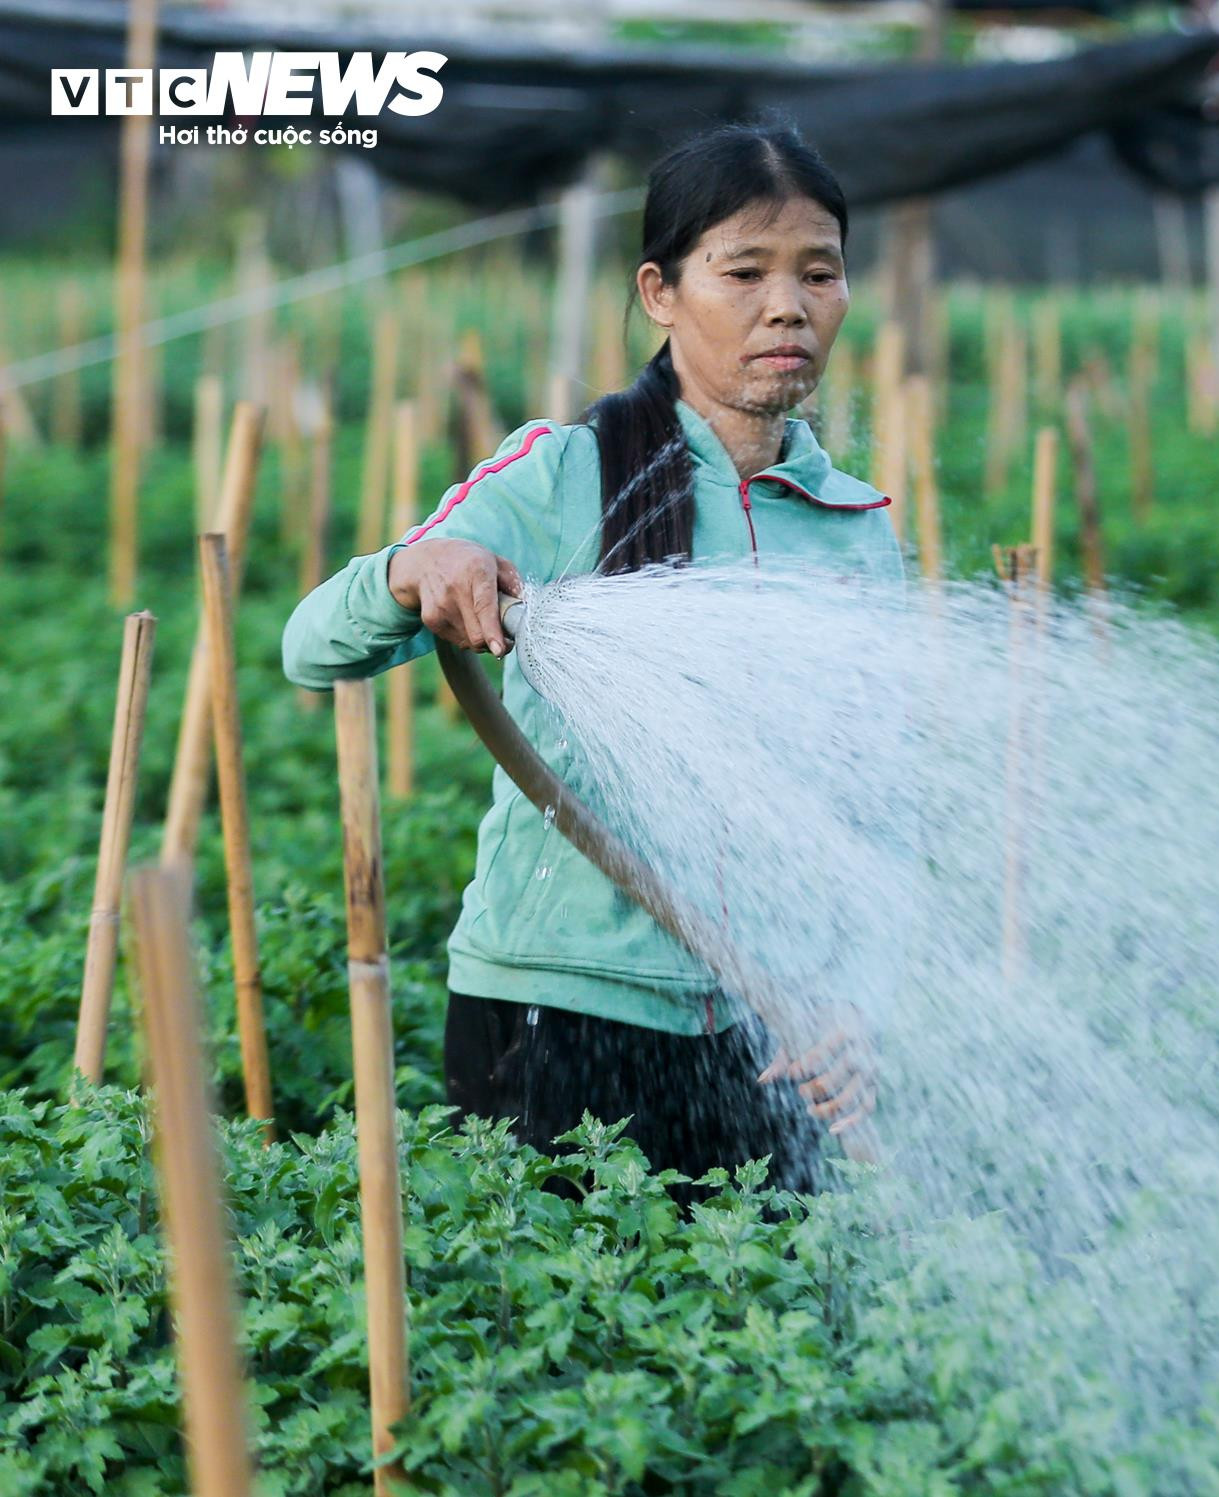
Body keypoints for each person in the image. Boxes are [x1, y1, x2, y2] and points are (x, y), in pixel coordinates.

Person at [283, 119, 902, 1202]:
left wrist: (859, 1002)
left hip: (767, 1025)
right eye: (743, 272)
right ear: (660, 292)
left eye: (819, 273)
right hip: (558, 1012)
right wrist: (415, 568)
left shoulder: (854, 528)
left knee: (752, 1338)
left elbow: (876, 811)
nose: (787, 307)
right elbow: (310, 647)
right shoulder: (568, 475)